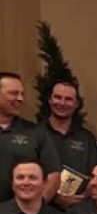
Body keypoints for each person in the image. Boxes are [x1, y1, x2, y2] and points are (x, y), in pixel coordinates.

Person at [0, 71, 61, 203]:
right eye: (13, 93)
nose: (20, 99)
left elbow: (53, 175)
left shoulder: (36, 132)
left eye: (22, 94)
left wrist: (36, 207)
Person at [38, 81, 97, 211]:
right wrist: (55, 196)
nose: (62, 103)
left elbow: (94, 174)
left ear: (77, 104)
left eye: (68, 99)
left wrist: (82, 197)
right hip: (42, 209)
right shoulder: (35, 133)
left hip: (79, 210)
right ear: (49, 99)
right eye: (58, 97)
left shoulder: (87, 138)